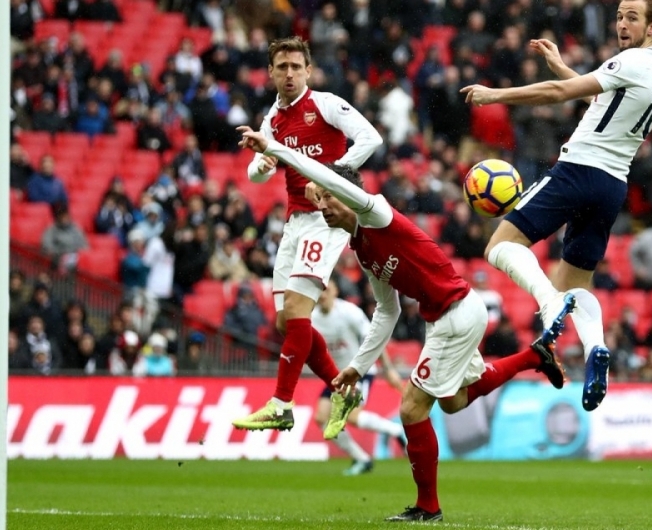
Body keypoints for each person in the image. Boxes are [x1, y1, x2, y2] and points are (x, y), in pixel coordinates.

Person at [236, 127, 567, 522]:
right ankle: (534, 355)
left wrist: (274, 149)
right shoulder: (361, 248)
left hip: (456, 313)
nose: (322, 207)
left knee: (411, 409)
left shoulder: (374, 211)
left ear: (344, 194)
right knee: (454, 401)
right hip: (448, 316)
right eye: (320, 199)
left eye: (326, 198)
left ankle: (428, 508)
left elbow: (324, 175)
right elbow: (387, 312)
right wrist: (358, 366)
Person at [459, 0, 652, 411]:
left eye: (632, 17)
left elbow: (559, 95)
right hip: (612, 186)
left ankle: (549, 303)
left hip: (578, 170)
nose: (622, 23)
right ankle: (597, 348)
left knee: (500, 246)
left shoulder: (632, 60)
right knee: (576, 283)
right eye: (620, 15)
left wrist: (495, 95)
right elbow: (602, 103)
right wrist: (560, 65)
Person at [233, 36, 383, 431]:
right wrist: (264, 162)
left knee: (299, 310)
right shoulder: (273, 119)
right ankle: (343, 391)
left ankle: (282, 403)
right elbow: (253, 171)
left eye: (296, 67)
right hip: (294, 221)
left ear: (308, 71)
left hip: (326, 218)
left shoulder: (326, 104)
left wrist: (334, 177)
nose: (289, 74)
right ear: (270, 72)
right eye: (281, 67)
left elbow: (371, 138)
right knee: (286, 322)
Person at [312, 277, 406, 476]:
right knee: (321, 417)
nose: (322, 295)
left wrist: (387, 369)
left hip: (358, 371)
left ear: (336, 291)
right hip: (335, 375)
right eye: (319, 290)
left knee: (352, 417)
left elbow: (374, 338)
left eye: (326, 290)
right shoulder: (313, 318)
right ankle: (362, 458)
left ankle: (396, 430)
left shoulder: (349, 313)